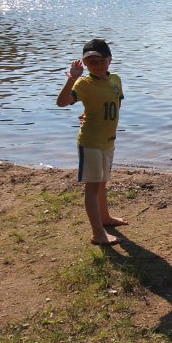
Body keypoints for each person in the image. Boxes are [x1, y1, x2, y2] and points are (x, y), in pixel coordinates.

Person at [56, 38, 126, 246]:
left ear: (109, 60)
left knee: (102, 182)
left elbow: (115, 103)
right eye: (91, 63)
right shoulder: (83, 83)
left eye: (101, 61)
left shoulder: (115, 80)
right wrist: (71, 79)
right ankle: (98, 233)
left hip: (108, 140)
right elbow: (61, 102)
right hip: (91, 141)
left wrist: (89, 110)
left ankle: (105, 218)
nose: (97, 66)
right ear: (85, 64)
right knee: (92, 187)